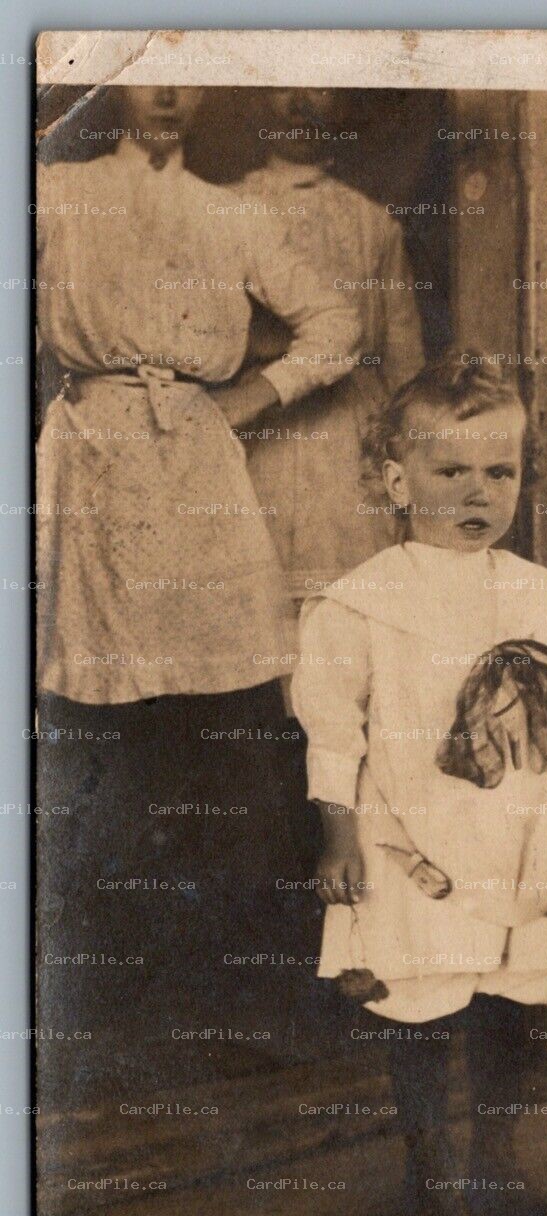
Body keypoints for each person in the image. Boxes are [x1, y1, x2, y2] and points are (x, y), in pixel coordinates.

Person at [35, 85, 362, 1032]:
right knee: (96, 716)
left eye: (187, 72)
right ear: (115, 79)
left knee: (228, 717)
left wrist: (251, 397)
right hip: (91, 461)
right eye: (149, 69)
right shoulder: (55, 193)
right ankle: (102, 1002)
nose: (169, 94)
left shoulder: (232, 213)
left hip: (197, 464)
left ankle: (246, 994)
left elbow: (336, 324)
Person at [291, 353, 547, 1216]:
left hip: (520, 837)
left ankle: (497, 1159)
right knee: (419, 996)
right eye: (450, 472)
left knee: (511, 996)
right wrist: (338, 837)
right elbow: (334, 733)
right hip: (410, 837)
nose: (478, 492)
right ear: (396, 481)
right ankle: (429, 1166)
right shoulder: (360, 605)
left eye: (499, 471)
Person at [232, 88, 425, 620]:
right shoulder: (222, 208)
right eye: (279, 85)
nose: (298, 103)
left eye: (316, 86)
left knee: (350, 615)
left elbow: (405, 369)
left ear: (342, 101)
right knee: (258, 616)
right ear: (255, 100)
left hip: (348, 454)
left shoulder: (373, 224)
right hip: (254, 437)